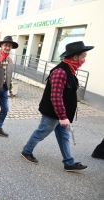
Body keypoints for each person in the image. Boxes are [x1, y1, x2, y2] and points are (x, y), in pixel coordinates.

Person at [21, 41, 94, 172]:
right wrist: (62, 117)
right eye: (83, 57)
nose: (84, 60)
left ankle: (68, 162)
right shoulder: (61, 71)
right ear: (75, 57)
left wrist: (64, 116)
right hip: (53, 113)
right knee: (41, 132)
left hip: (61, 114)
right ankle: (26, 151)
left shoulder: (70, 70)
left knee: (64, 136)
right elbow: (55, 97)